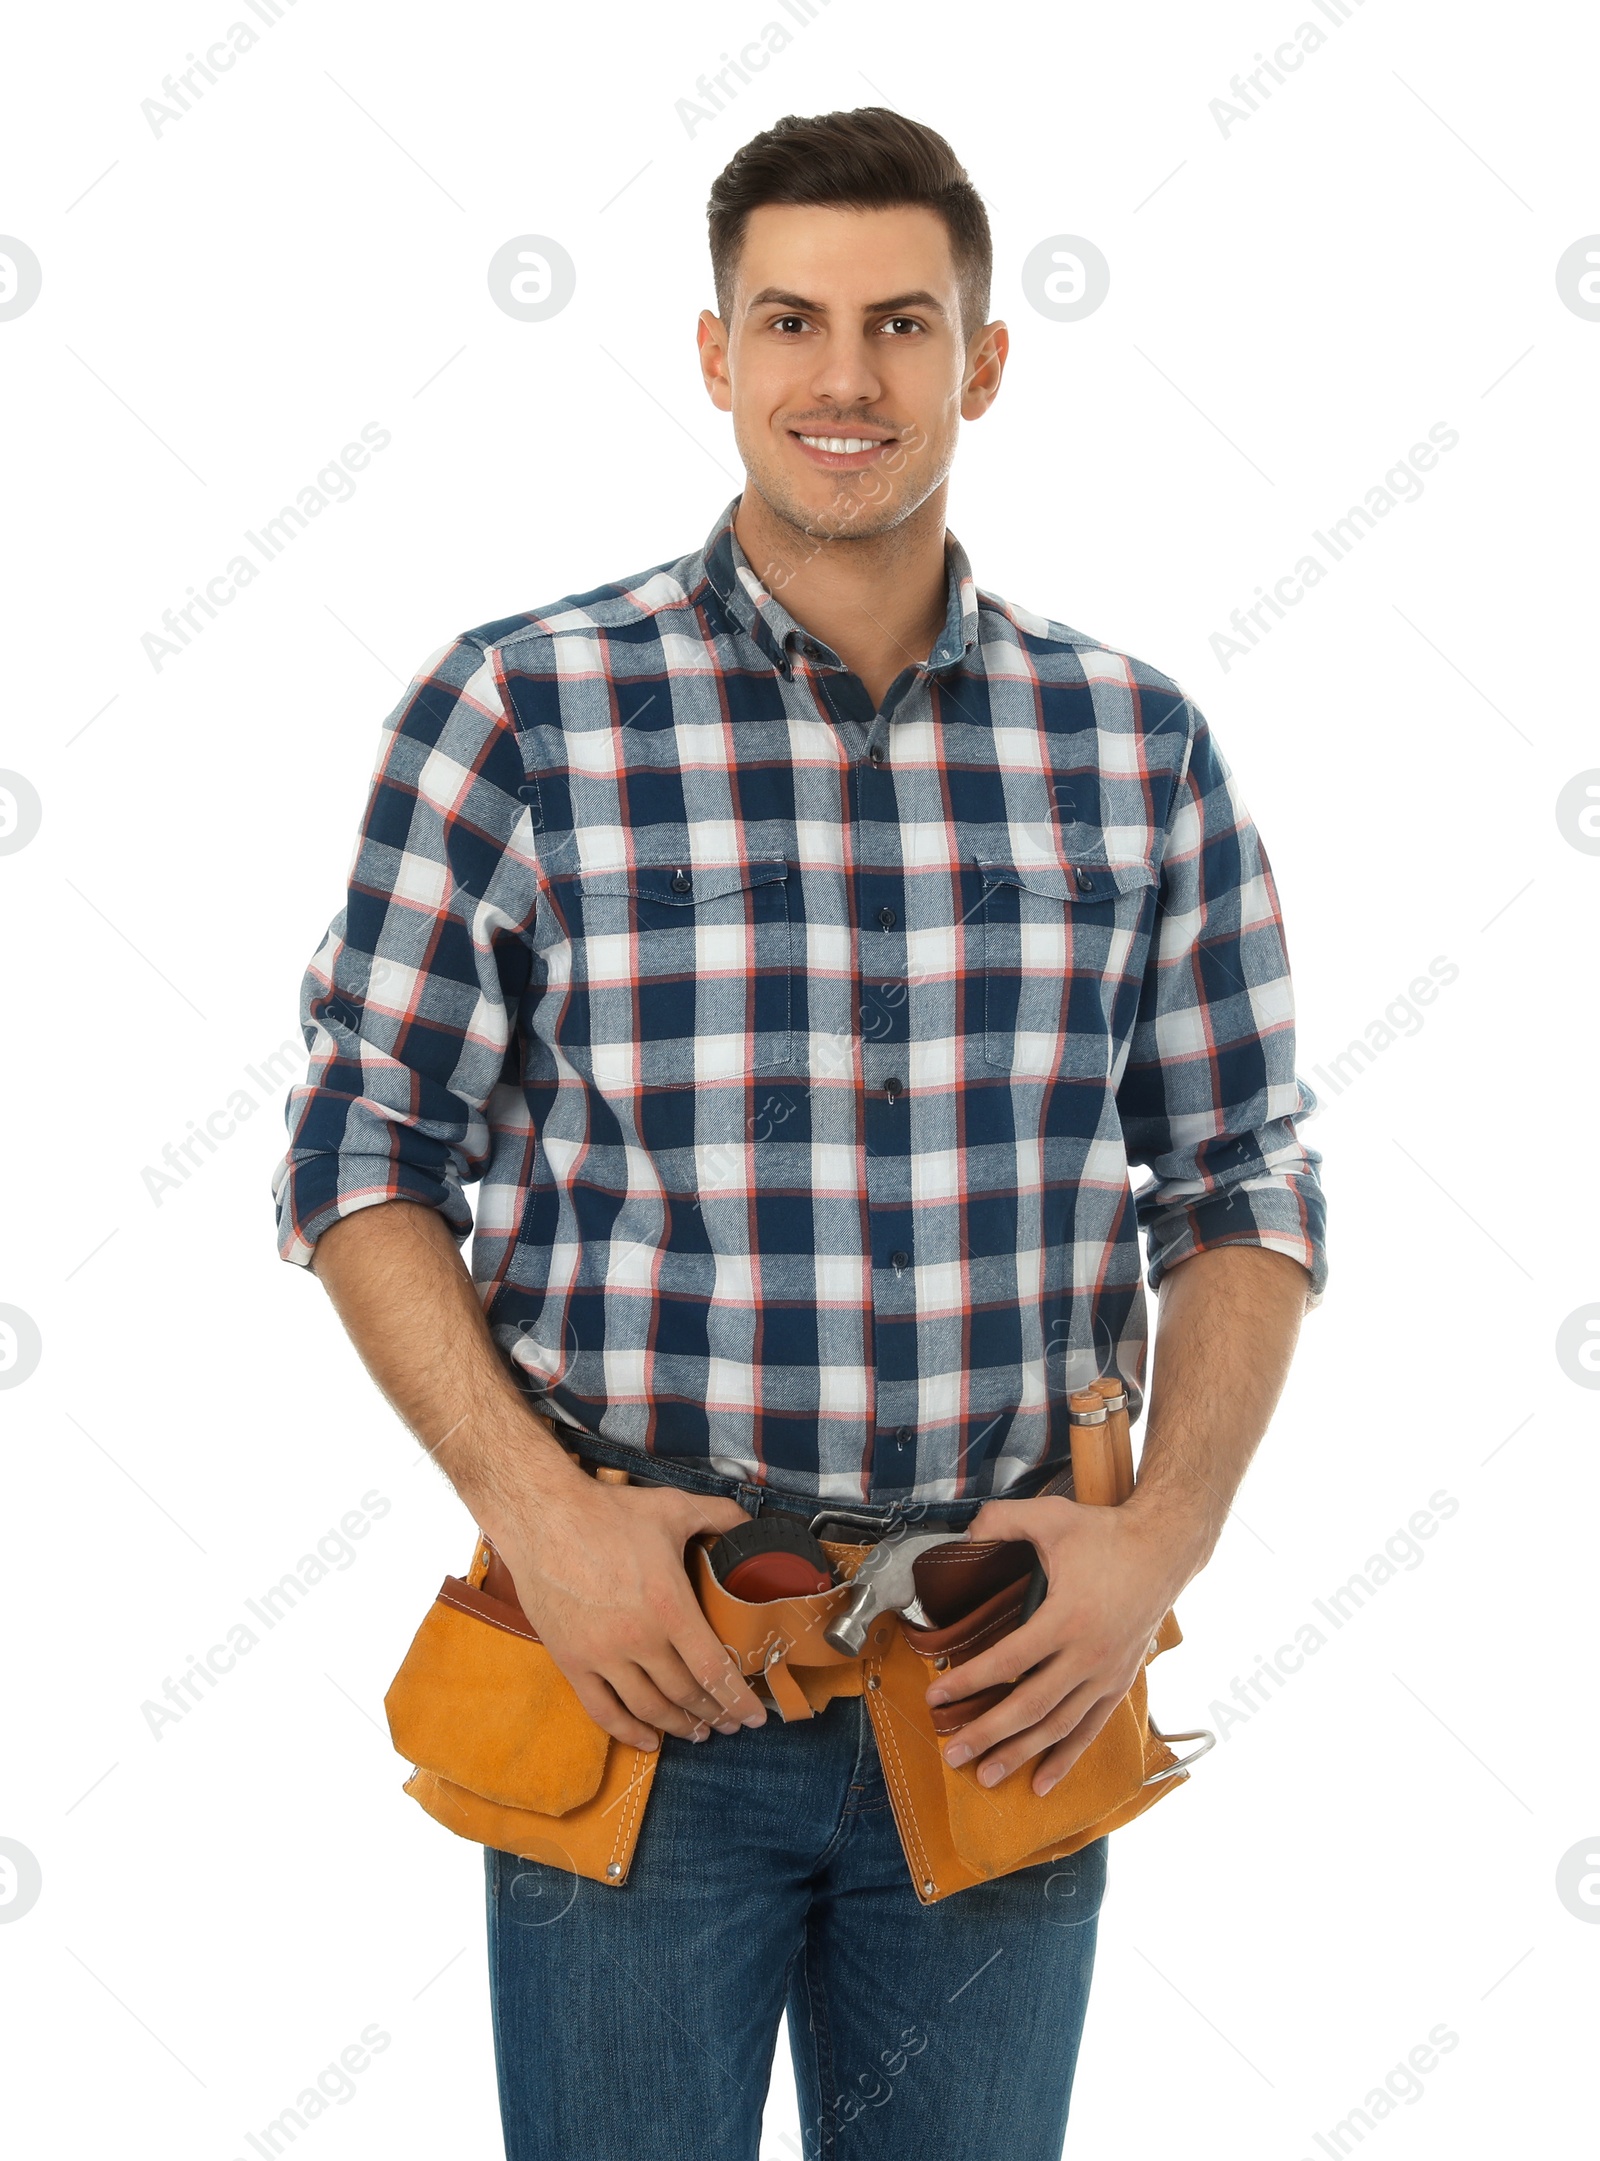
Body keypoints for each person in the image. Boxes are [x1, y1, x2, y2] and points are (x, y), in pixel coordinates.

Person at [274, 105, 1327, 2161]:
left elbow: (1238, 1179)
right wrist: (547, 1516)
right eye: (790, 321)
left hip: (999, 1681)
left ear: (982, 360)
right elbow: (362, 1151)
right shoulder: (525, 713)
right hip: (635, 1683)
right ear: (713, 353)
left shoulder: (1129, 743)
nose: (842, 378)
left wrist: (1162, 1541)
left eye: (898, 324)